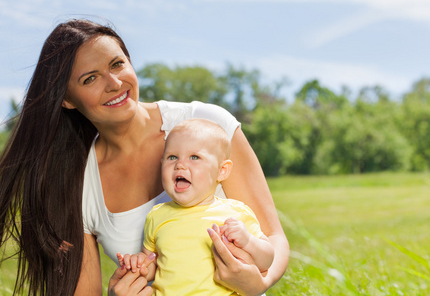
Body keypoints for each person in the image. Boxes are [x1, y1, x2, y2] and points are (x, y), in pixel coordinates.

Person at [0, 19, 289, 296]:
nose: (114, 83)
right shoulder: (78, 183)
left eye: (117, 64)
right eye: (90, 79)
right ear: (67, 99)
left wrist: (258, 285)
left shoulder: (206, 123)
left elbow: (273, 237)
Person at [118, 118, 275, 295]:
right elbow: (153, 263)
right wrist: (139, 264)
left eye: (194, 157)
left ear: (221, 170)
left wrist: (248, 241)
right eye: (172, 157)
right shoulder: (157, 215)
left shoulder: (235, 213)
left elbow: (267, 258)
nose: (180, 164)